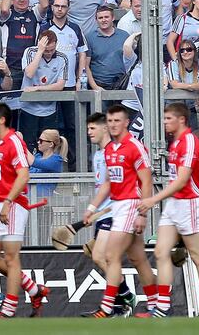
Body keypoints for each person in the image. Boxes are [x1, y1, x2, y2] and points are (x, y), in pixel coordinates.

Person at [138, 102, 199, 317]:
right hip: (174, 203)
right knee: (160, 251)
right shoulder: (175, 143)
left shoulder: (190, 142)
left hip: (190, 202)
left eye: (168, 119)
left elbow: (183, 181)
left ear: (181, 119)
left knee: (197, 255)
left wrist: (154, 199)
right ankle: (163, 306)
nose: (165, 122)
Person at [82, 105, 157, 318]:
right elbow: (107, 184)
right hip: (118, 205)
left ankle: (107, 308)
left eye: (117, 121)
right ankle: (156, 306)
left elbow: (146, 180)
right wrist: (91, 208)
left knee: (110, 255)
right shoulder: (109, 150)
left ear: (126, 123)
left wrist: (143, 213)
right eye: (111, 121)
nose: (114, 125)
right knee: (138, 259)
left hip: (131, 205)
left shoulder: (134, 146)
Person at [0, 103, 50, 318]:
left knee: (11, 258)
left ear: (1, 120)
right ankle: (32, 288)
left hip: (12, 205)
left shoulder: (13, 142)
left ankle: (9, 308)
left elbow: (24, 175)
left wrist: (8, 202)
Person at [85, 113, 137, 316]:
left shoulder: (113, 152)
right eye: (88, 129)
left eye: (92, 128)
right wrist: (93, 210)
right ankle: (118, 304)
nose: (89, 133)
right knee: (104, 257)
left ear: (104, 129)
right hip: (103, 213)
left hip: (115, 212)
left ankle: (124, 297)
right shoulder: (98, 155)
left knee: (102, 256)